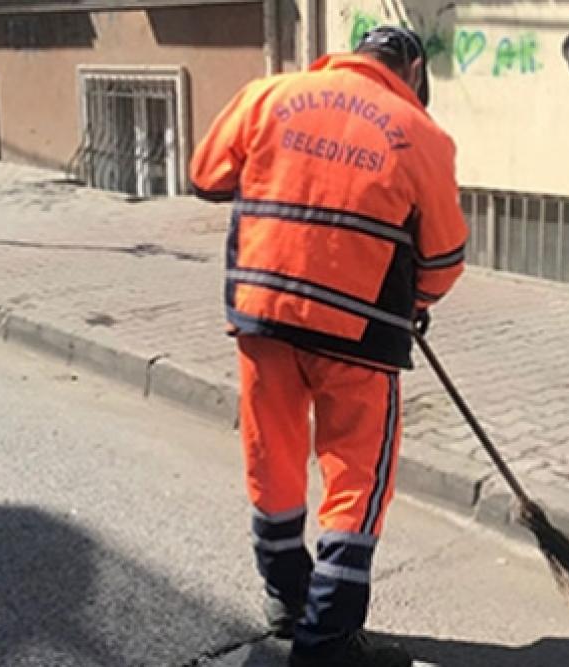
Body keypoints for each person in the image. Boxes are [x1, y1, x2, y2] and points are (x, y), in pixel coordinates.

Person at [188, 25, 468, 667]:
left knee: (273, 456)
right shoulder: (420, 132)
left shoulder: (268, 95)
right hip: (359, 336)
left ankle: (288, 599)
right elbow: (446, 258)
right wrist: (414, 304)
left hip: (264, 317)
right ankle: (327, 643)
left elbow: (206, 175)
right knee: (356, 480)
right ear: (414, 70)